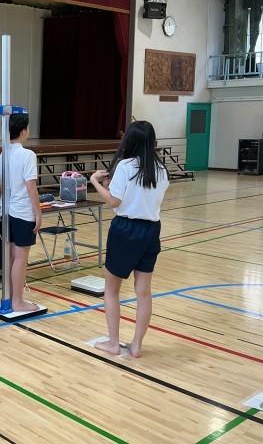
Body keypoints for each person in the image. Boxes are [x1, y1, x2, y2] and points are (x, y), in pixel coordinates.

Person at [89, 120, 170, 358]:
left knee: (111, 289)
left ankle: (113, 343)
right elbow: (140, 195)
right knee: (143, 291)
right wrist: (113, 187)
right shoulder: (161, 170)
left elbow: (114, 201)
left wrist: (95, 182)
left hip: (126, 230)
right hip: (151, 230)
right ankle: (136, 345)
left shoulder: (125, 166)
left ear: (130, 141)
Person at [0, 113, 42, 313]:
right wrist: (38, 213)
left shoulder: (2, 156)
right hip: (23, 211)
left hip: (7, 211)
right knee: (20, 257)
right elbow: (31, 186)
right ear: (23, 131)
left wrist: (3, 204)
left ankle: (10, 297)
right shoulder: (27, 155)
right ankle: (17, 301)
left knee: (11, 256)